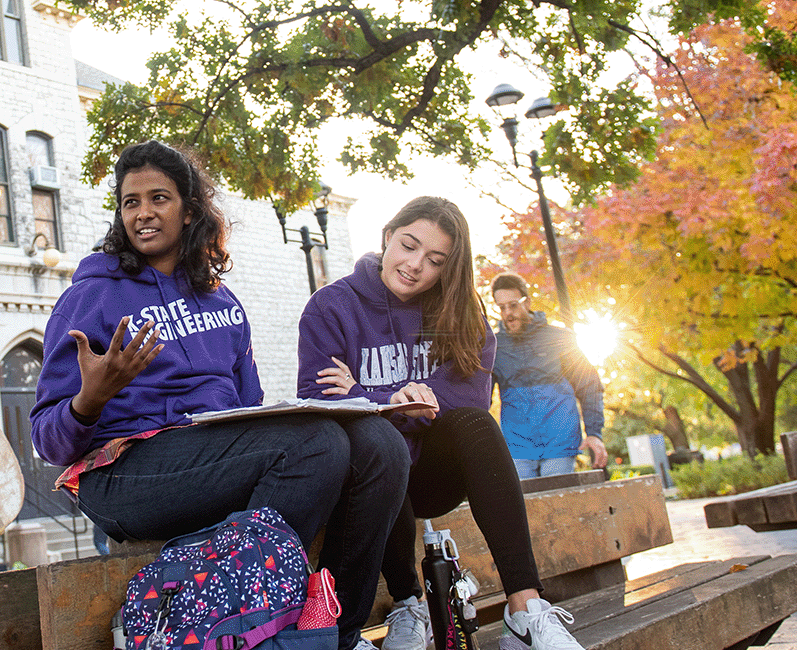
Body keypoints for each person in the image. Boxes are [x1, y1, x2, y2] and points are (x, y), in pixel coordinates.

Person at [30, 141, 409, 650]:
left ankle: (335, 635)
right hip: (122, 473)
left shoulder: (220, 300)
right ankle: (247, 632)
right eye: (130, 202)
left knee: (380, 444)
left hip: (209, 455)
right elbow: (47, 439)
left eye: (158, 198)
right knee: (316, 445)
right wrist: (89, 400)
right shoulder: (92, 297)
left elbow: (248, 409)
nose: (143, 213)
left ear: (189, 210)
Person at [297, 197, 585, 650]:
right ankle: (409, 604)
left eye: (435, 261)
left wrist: (362, 394)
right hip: (365, 482)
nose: (415, 266)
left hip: (434, 474)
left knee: (476, 426)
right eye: (409, 246)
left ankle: (525, 611)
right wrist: (390, 401)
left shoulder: (461, 310)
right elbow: (318, 400)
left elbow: (467, 399)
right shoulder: (331, 307)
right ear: (388, 235)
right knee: (378, 443)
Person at [488, 273, 608, 479]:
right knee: (525, 508)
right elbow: (480, 399)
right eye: (502, 307)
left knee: (555, 503)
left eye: (513, 305)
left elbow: (590, 386)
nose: (508, 313)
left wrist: (594, 433)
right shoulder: (494, 347)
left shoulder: (560, 338)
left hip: (560, 444)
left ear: (527, 302)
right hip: (518, 448)